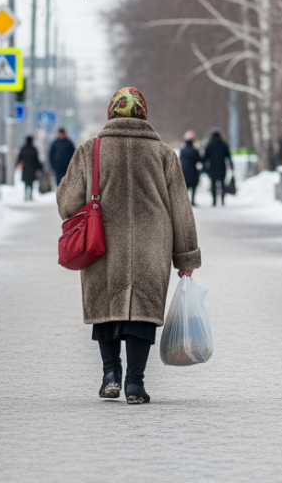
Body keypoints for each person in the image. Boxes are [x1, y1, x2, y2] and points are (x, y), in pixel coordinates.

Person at [57, 87, 201, 405]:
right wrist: (186, 257)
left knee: (106, 309)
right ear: (143, 115)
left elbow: (67, 203)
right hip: (153, 247)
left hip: (101, 244)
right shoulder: (164, 154)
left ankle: (110, 374)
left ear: (111, 113)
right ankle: (135, 383)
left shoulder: (89, 151)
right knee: (143, 314)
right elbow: (181, 208)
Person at [203, 128, 233, 207]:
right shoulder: (223, 144)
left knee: (213, 184)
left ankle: (214, 200)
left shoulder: (209, 144)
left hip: (212, 167)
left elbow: (205, 158)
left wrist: (204, 168)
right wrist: (231, 166)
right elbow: (228, 156)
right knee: (222, 184)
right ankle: (222, 200)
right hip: (222, 167)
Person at [178, 131, 204, 206]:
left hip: (184, 170)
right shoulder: (195, 150)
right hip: (193, 171)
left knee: (185, 187)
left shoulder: (182, 150)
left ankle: (185, 202)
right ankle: (192, 201)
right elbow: (199, 160)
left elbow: (180, 160)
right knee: (193, 187)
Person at [17, 135, 41, 201]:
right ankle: (30, 195)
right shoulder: (34, 149)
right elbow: (37, 159)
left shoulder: (23, 148)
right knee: (31, 182)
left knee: (26, 182)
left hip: (25, 168)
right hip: (32, 168)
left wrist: (17, 163)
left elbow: (19, 158)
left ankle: (25, 195)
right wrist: (39, 167)